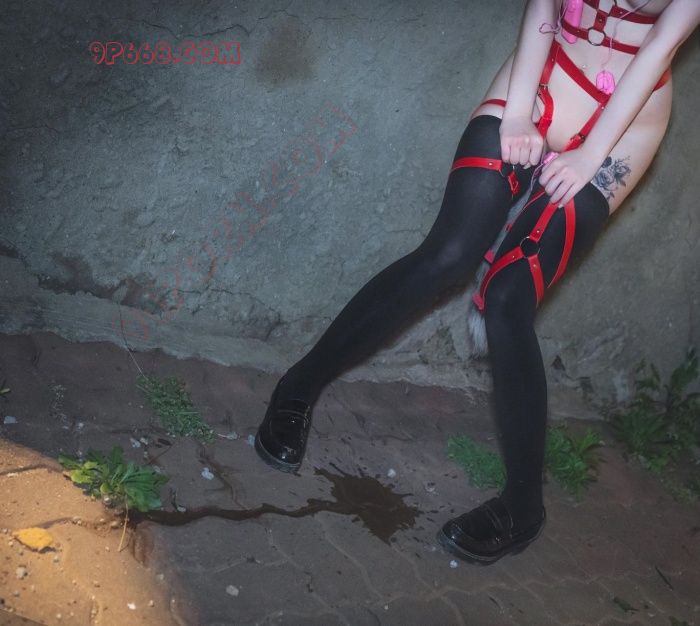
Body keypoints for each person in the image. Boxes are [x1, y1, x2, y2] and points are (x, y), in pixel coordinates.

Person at [255, 0, 700, 565]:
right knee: (448, 254)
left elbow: (658, 48)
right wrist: (516, 115)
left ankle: (523, 507)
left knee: (510, 299)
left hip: (622, 128)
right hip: (543, 78)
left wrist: (589, 157)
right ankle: (297, 387)